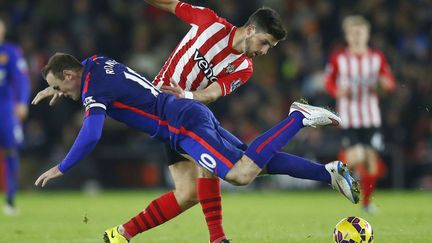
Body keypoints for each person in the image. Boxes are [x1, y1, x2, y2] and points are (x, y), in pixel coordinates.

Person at [33, 53, 359, 242]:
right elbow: (89, 83)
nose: (59, 91)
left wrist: (61, 167)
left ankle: (297, 118)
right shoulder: (95, 62)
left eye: (58, 85)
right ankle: (328, 173)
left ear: (69, 74)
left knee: (242, 173)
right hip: (177, 120)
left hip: (181, 124)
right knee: (192, 190)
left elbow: (91, 135)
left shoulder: (92, 89)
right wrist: (63, 91)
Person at [36, 2, 288, 242]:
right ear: (252, 30)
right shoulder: (208, 23)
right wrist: (63, 84)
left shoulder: (243, 65)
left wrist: (66, 83)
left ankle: (122, 233)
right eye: (265, 43)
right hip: (171, 115)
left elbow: (213, 93)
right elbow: (169, 4)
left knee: (192, 191)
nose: (264, 51)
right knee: (237, 166)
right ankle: (218, 237)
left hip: (184, 113)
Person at [324, 15, 395, 213]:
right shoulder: (339, 58)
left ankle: (366, 203)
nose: (357, 36)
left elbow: (389, 81)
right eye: (353, 33)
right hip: (349, 118)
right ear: (347, 36)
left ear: (367, 34)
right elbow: (328, 81)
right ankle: (335, 172)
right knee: (358, 156)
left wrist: (385, 85)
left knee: (372, 164)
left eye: (360, 33)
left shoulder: (377, 57)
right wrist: (336, 91)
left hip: (371, 117)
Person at [0, 18, 30, 216]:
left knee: (11, 150)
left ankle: (10, 199)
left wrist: (22, 102)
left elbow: (22, 78)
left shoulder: (10, 52)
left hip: (5, 108)